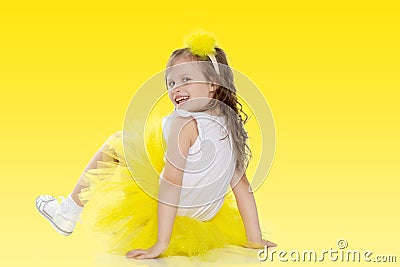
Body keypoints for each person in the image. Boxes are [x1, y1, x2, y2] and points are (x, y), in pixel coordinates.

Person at [35, 30, 277, 259]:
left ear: (213, 83)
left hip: (175, 209)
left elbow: (171, 180)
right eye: (170, 83)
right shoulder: (229, 124)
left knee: (117, 142)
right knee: (146, 149)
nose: (176, 88)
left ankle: (68, 212)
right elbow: (242, 187)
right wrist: (254, 238)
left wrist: (161, 243)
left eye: (186, 79)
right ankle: (82, 215)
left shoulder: (185, 124)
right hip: (202, 216)